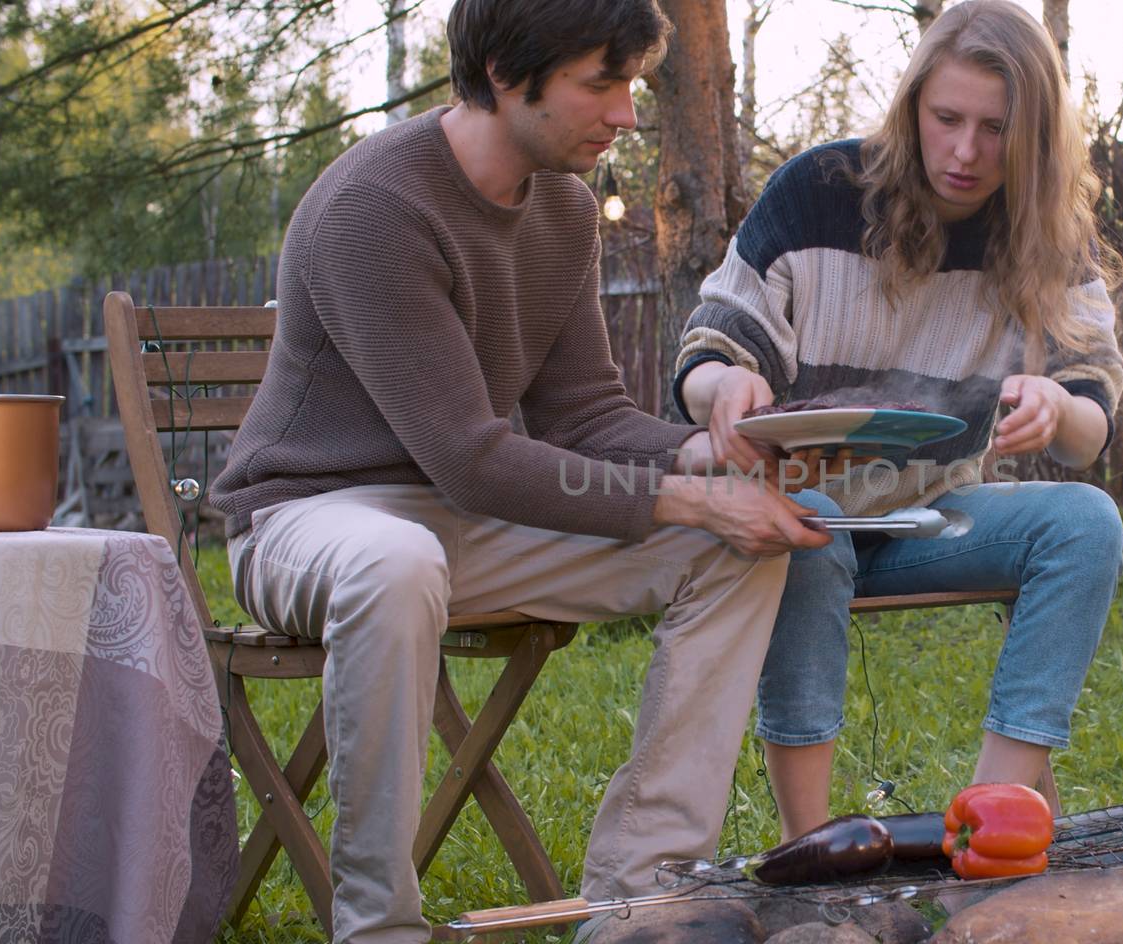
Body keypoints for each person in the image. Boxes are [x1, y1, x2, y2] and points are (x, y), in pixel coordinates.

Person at [209, 0, 829, 939]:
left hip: (461, 520)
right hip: (310, 517)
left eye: (629, 85)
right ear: (505, 74)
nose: (626, 112)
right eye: (600, 83)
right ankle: (378, 925)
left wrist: (718, 452)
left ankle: (642, 896)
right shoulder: (374, 208)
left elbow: (585, 416)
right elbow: (471, 457)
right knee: (395, 559)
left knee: (735, 547)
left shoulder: (564, 210)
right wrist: (687, 495)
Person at [672, 0, 1123, 842]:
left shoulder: (1046, 228)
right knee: (811, 521)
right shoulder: (817, 192)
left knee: (1085, 524)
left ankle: (990, 824)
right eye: (947, 118)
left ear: (1033, 135)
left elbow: (1089, 417)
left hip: (934, 519)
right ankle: (813, 848)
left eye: (996, 128)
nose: (965, 151)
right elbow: (714, 345)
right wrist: (721, 388)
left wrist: (1059, 406)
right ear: (913, 104)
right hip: (811, 509)